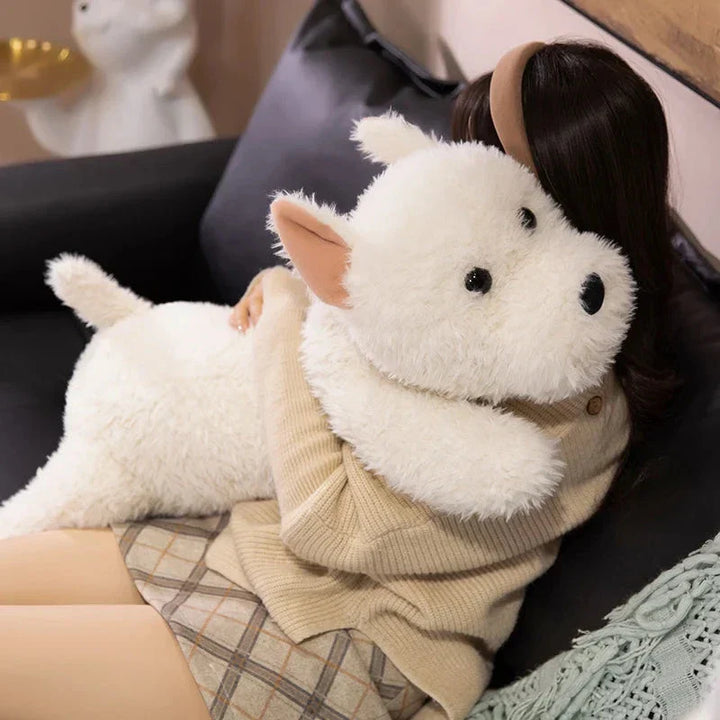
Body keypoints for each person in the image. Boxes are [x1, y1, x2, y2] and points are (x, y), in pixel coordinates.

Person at [0, 41, 678, 720]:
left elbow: (331, 524)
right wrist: (303, 289)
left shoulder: (574, 405)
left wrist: (290, 321)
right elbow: (387, 311)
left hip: (357, 641)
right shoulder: (473, 280)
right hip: (250, 544)